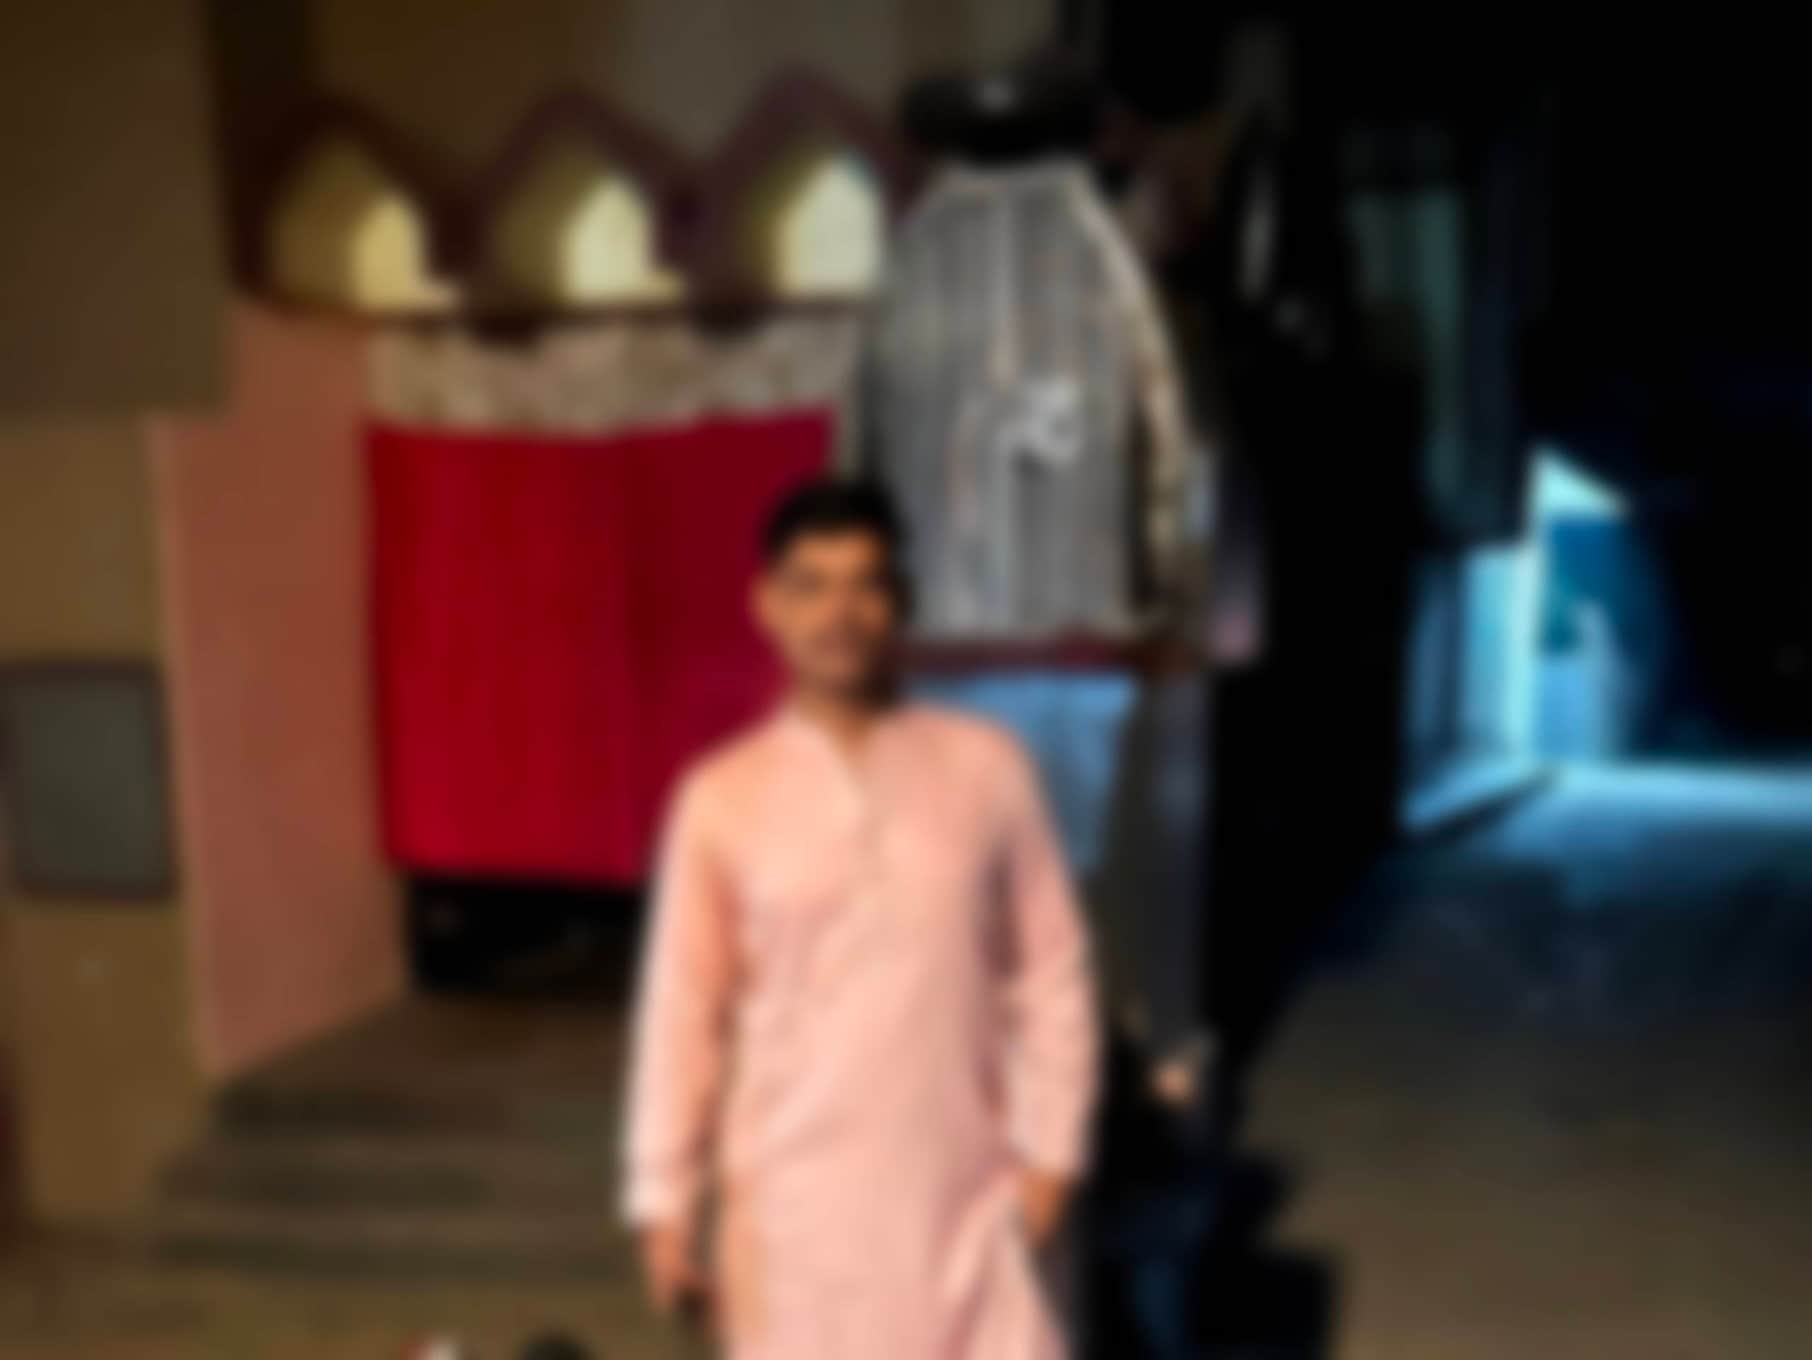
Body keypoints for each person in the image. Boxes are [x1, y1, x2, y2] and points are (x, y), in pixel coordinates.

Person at [622, 479, 1101, 1358]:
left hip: (968, 1201)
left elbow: (1051, 970)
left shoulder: (987, 769)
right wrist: (664, 1199)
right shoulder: (721, 799)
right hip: (793, 1221)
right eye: (810, 586)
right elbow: (681, 1013)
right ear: (767, 604)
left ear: (902, 601)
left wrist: (1053, 1157)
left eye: (865, 584)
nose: (838, 614)